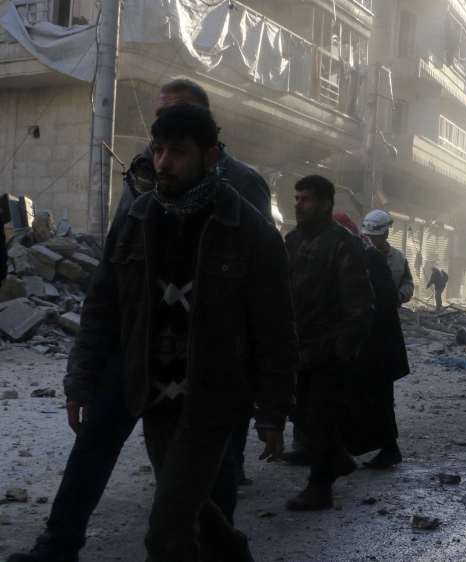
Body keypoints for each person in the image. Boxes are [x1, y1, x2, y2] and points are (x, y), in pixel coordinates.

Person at [61, 103, 296, 561]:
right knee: (195, 510)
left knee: (165, 532)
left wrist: (273, 409)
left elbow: (276, 328)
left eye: (178, 152)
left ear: (211, 157)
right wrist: (82, 380)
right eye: (159, 149)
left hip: (212, 399)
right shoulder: (137, 218)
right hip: (150, 396)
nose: (163, 162)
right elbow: (102, 308)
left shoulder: (250, 230)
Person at [281, 176, 374, 511]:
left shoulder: (343, 243)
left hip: (329, 348)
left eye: (306, 199)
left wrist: (344, 348)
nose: (298, 204)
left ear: (324, 204)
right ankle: (337, 457)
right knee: (299, 412)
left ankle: (320, 487)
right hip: (297, 347)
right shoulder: (292, 240)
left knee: (320, 417)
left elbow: (361, 302)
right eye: (297, 197)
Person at [116, 79, 273, 224]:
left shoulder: (243, 181)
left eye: (175, 113)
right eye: (160, 114)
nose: (163, 122)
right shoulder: (141, 176)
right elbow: (120, 239)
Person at [332, 213, 409, 470]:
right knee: (369, 398)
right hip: (367, 342)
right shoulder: (352, 256)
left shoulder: (373, 258)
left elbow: (384, 301)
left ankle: (385, 449)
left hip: (376, 343)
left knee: (376, 398)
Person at [362, 210, 414, 307]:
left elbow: (408, 284)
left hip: (388, 314)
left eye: (374, 237)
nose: (369, 240)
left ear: (386, 234)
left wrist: (400, 296)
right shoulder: (356, 254)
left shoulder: (399, 258)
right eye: (367, 236)